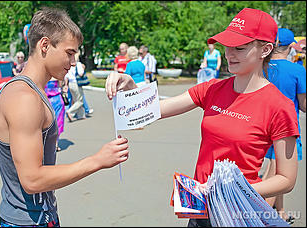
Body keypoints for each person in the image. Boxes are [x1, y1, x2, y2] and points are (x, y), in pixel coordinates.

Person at [105, 8, 299, 227]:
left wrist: (230, 190)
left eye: (239, 48)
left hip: (237, 212)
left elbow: (286, 179)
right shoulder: (212, 89)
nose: (229, 54)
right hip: (200, 208)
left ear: (265, 49)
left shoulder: (279, 106)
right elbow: (151, 111)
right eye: (226, 46)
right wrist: (130, 87)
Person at [0, 7, 129, 227]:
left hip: (38, 217)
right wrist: (97, 160)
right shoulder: (24, 98)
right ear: (44, 45)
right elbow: (32, 179)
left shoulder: (33, 92)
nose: (73, 62)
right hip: (27, 222)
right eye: (69, 53)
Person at [262, 28, 306, 224]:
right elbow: (304, 105)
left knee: (276, 171)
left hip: (263, 125)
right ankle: (261, 216)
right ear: (289, 47)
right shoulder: (297, 70)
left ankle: (280, 213)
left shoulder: (263, 67)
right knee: (279, 172)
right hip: (286, 129)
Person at [44, 77, 66, 152]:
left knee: (47, 123)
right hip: (57, 100)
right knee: (58, 122)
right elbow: (61, 85)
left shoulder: (44, 75)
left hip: (46, 100)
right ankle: (55, 144)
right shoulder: (57, 75)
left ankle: (49, 143)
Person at [64, 53, 87, 122]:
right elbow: (81, 73)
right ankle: (70, 111)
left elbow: (66, 76)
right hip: (76, 83)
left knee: (76, 99)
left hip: (70, 84)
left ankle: (81, 115)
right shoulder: (78, 64)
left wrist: (66, 85)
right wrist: (83, 68)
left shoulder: (69, 64)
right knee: (80, 100)